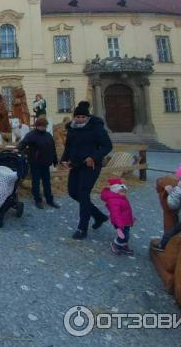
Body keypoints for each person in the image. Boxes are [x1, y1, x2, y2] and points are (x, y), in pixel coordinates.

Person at [60, 101, 112, 240]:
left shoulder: (96, 128)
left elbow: (107, 146)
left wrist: (94, 157)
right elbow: (68, 146)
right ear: (74, 117)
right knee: (73, 192)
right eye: (78, 117)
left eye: (83, 117)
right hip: (76, 165)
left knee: (83, 193)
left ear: (87, 117)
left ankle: (82, 228)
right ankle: (99, 216)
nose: (80, 119)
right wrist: (64, 159)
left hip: (91, 166)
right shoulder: (72, 128)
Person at [16, 117, 59, 209]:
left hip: (46, 163)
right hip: (35, 163)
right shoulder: (31, 135)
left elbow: (52, 148)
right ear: (37, 126)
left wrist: (55, 159)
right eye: (42, 126)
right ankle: (38, 200)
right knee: (36, 182)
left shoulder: (48, 135)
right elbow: (23, 143)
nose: (43, 127)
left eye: (45, 126)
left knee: (47, 182)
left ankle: (49, 200)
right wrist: (17, 149)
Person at [100, 178, 135, 255]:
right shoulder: (114, 201)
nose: (124, 193)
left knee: (126, 234)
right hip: (120, 222)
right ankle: (116, 244)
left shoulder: (121, 198)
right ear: (116, 191)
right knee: (124, 235)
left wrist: (131, 218)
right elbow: (115, 213)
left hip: (126, 220)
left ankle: (123, 245)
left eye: (125, 191)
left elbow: (126, 210)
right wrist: (119, 224)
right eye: (122, 191)